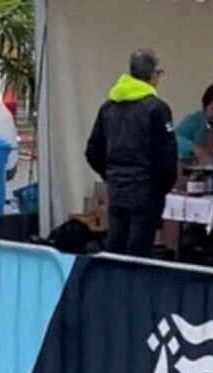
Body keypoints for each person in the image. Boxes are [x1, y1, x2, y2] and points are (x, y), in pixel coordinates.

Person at [85, 49, 178, 257]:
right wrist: (161, 188)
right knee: (139, 252)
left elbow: (92, 151)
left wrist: (110, 175)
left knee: (115, 247)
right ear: (153, 75)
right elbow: (167, 156)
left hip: (117, 189)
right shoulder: (157, 109)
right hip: (146, 191)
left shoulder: (108, 107)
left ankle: (114, 279)